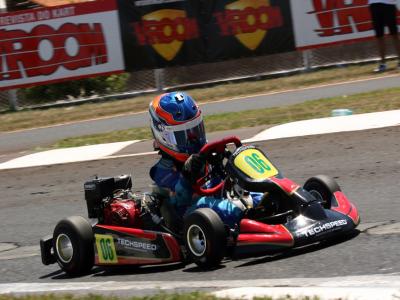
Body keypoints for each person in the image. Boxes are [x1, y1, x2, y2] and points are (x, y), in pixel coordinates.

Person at [148, 91, 259, 231]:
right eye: (183, 136)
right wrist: (187, 175)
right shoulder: (162, 170)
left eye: (195, 130)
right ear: (163, 136)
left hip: (218, 198)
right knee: (228, 209)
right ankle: (249, 217)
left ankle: (270, 203)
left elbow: (222, 180)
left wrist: (224, 161)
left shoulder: (203, 154)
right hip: (191, 216)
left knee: (257, 195)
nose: (193, 141)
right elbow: (181, 200)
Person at [368, 0, 400, 72]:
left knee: (394, 34)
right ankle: (383, 64)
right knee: (379, 36)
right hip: (374, 4)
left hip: (389, 4)